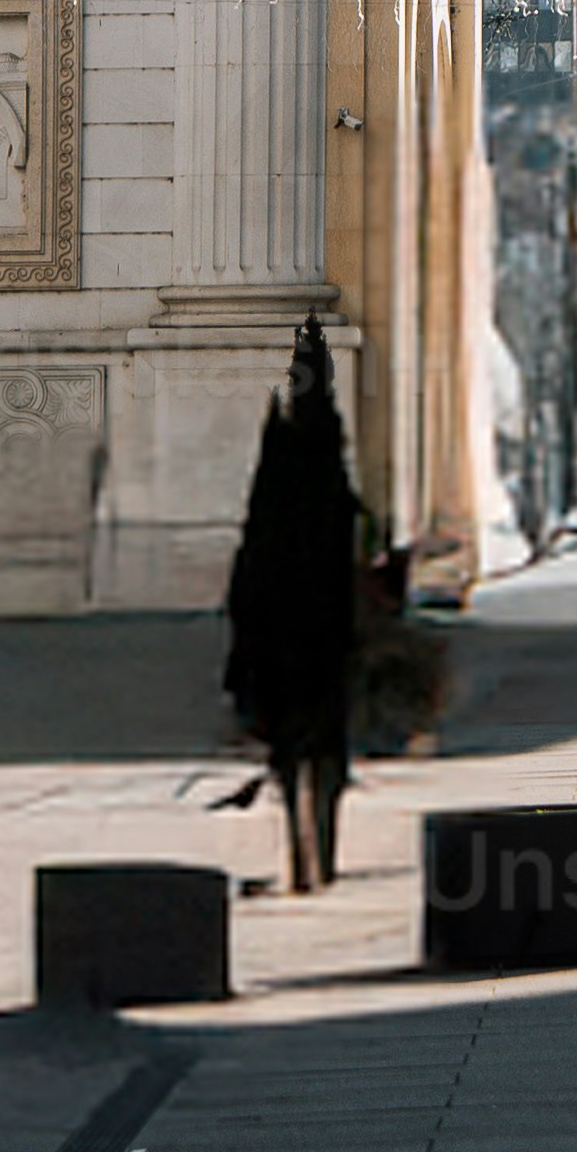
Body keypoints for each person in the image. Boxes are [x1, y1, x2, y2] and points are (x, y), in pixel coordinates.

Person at [223, 312, 366, 888]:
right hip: (325, 633)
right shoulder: (332, 476)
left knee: (289, 751)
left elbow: (249, 563)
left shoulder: (275, 471)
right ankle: (321, 859)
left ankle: (301, 857)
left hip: (277, 631)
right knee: (325, 748)